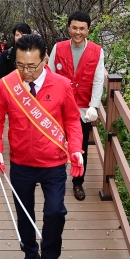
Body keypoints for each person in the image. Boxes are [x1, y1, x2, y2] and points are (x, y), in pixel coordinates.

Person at [0, 34, 84, 259]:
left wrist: (75, 149)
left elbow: (73, 120)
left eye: (32, 66)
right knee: (24, 211)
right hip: (21, 163)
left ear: (45, 60)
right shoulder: (8, 85)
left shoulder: (61, 85)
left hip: (53, 163)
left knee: (55, 212)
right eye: (20, 65)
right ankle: (30, 255)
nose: (26, 72)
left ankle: (51, 255)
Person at [48, 11, 105, 201]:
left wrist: (94, 106)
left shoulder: (97, 51)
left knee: (79, 147)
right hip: (59, 107)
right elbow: (48, 76)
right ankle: (55, 178)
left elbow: (98, 81)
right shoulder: (58, 47)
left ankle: (78, 182)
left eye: (82, 28)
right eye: (74, 28)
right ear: (69, 28)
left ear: (88, 30)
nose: (78, 32)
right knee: (55, 143)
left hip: (82, 109)